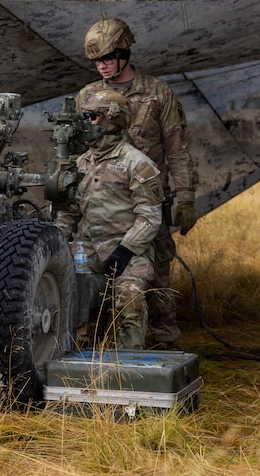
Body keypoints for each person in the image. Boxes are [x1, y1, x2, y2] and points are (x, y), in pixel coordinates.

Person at [77, 18, 197, 349]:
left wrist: (185, 198)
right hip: (104, 204)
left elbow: (177, 150)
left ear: (124, 52)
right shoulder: (88, 96)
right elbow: (78, 152)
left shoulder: (158, 93)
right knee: (91, 283)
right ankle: (90, 353)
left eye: (107, 57)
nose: (101, 65)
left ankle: (163, 349)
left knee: (156, 278)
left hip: (147, 203)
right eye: (96, 61)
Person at [54, 90, 164, 350]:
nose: (85, 123)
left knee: (129, 299)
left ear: (112, 120)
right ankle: (79, 368)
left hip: (129, 252)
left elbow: (149, 216)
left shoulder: (136, 163)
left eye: (91, 117)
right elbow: (69, 214)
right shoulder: (80, 164)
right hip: (90, 253)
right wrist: (55, 244)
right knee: (76, 299)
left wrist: (125, 251)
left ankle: (129, 368)